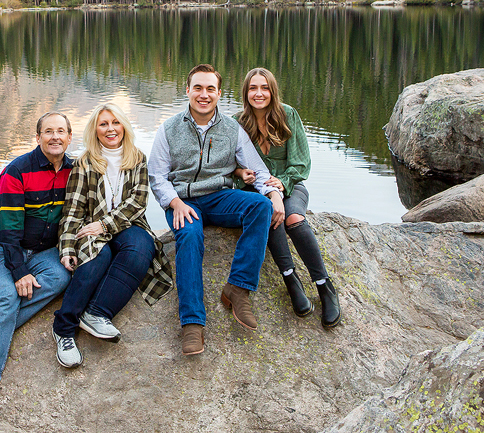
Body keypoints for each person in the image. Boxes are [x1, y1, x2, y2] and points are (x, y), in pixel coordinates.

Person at [148, 63, 285, 356]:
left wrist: (274, 194)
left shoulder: (231, 129)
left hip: (219, 197)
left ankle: (238, 288)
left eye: (210, 88)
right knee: (190, 236)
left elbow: (258, 170)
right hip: (183, 200)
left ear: (219, 93)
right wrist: (174, 203)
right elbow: (157, 176)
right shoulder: (169, 129)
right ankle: (192, 324)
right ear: (187, 90)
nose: (204, 94)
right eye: (198, 87)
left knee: (259, 207)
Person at [0, 111, 75, 418]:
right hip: (8, 248)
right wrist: (19, 272)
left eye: (61, 131)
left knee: (61, 279)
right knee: (7, 296)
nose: (55, 137)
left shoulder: (75, 170)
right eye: (49, 131)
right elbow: (7, 229)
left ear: (69, 137)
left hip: (45, 251)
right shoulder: (16, 171)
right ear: (38, 137)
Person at [52, 102, 173, 367]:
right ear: (95, 130)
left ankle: (96, 313)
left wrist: (105, 225)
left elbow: (138, 202)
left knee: (142, 248)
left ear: (124, 127)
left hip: (127, 225)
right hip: (90, 226)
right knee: (98, 255)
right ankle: (63, 328)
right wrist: (67, 248)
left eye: (115, 123)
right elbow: (73, 209)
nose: (110, 129)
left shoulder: (138, 158)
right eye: (103, 124)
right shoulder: (85, 163)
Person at [234, 67, 341, 328]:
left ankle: (324, 285)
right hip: (254, 192)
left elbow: (301, 163)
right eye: (253, 88)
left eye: (264, 88)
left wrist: (281, 184)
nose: (259, 93)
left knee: (293, 218)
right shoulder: (238, 122)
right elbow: (230, 166)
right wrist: (241, 174)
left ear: (272, 91)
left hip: (291, 186)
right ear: (246, 92)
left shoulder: (287, 114)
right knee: (267, 215)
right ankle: (290, 280)